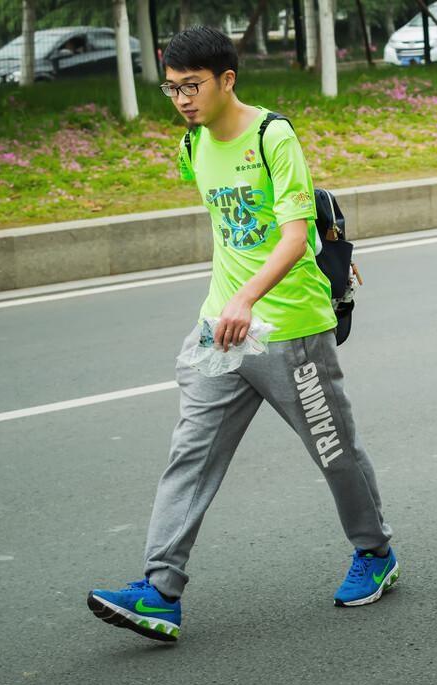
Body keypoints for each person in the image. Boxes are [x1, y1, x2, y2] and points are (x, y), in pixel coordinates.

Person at [87, 26, 398, 644]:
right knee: (191, 452)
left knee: (334, 452)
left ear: (227, 79)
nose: (181, 99)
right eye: (171, 89)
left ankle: (375, 551)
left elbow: (291, 235)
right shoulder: (193, 145)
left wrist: (248, 297)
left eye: (191, 86)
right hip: (222, 331)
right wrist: (226, 307)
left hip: (291, 330)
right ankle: (160, 590)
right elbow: (229, 234)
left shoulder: (272, 135)